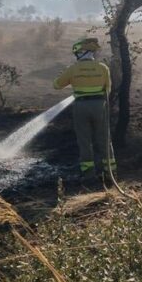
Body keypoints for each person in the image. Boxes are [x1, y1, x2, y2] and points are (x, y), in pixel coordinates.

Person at [54, 37, 115, 187]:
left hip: (81, 107)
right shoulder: (103, 68)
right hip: (100, 106)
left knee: (84, 141)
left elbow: (56, 85)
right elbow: (108, 89)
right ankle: (110, 174)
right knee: (104, 140)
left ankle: (89, 176)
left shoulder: (73, 69)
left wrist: (68, 76)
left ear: (81, 53)